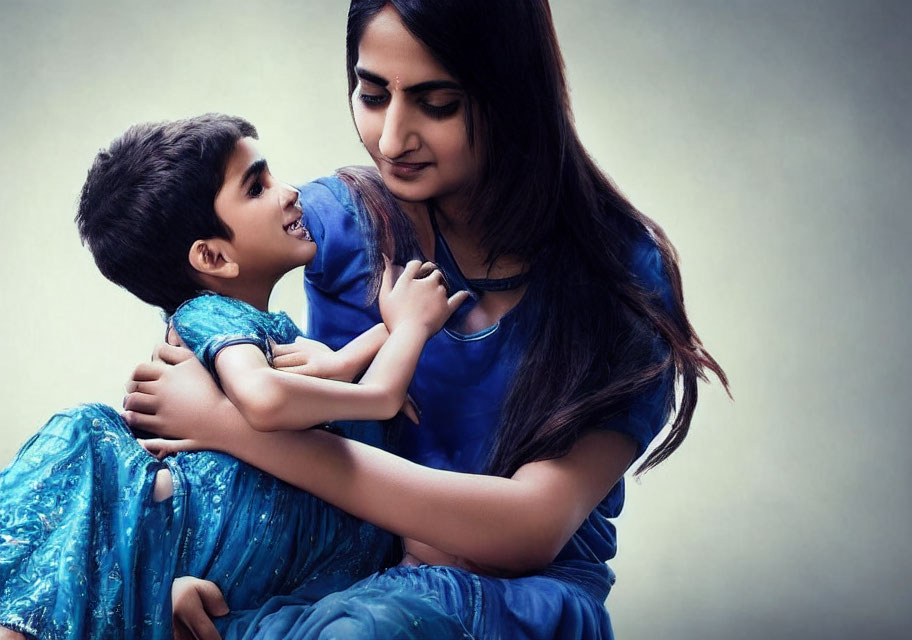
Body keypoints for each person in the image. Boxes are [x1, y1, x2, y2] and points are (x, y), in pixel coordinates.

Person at [124, 1, 729, 638]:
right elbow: (190, 340)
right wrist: (180, 559)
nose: (392, 140)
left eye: (437, 103)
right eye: (372, 94)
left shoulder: (620, 276)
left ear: (511, 92)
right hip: (324, 570)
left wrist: (241, 431)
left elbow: (528, 528)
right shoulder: (340, 219)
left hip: (508, 598)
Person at [0, 113, 465, 640]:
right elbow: (267, 399)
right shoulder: (208, 316)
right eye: (257, 187)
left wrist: (397, 331)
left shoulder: (282, 339)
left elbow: (332, 376)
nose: (290, 193)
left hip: (309, 550)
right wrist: (382, 383)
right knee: (79, 434)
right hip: (207, 526)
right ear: (213, 257)